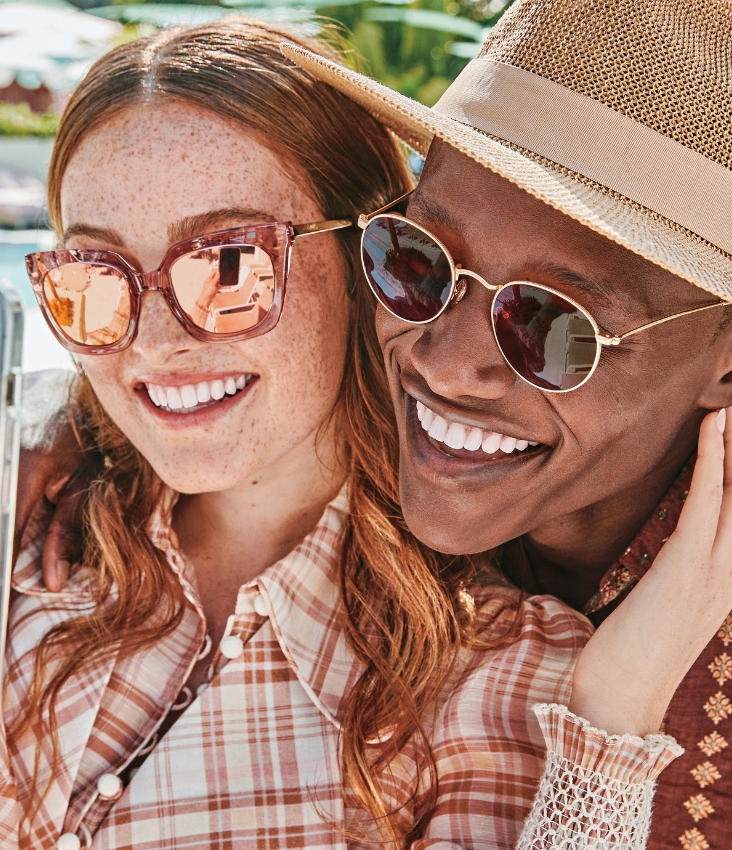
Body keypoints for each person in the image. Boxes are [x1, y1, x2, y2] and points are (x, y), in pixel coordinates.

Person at [0, 19, 597, 850]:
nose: (153, 341)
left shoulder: (502, 677)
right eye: (94, 280)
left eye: (229, 267)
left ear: (373, 260)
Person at [282, 0, 732, 845]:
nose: (444, 363)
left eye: (552, 326)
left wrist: (611, 718)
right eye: (418, 262)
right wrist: (74, 432)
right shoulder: (356, 421)